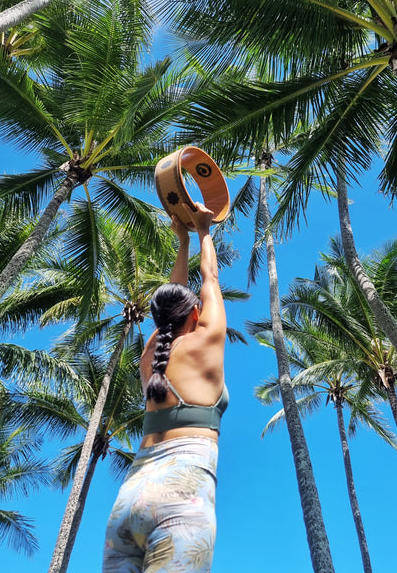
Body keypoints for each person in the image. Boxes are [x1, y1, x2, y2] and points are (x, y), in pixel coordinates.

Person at [103, 202, 227, 573]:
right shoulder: (206, 341)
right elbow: (211, 282)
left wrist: (183, 242)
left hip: (127, 505)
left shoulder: (149, 354)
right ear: (194, 314)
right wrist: (205, 231)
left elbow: (173, 300)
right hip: (181, 499)